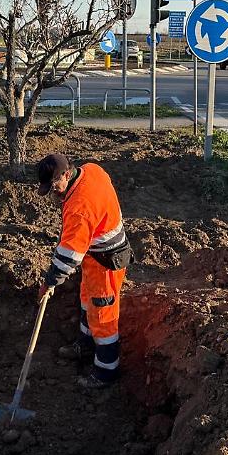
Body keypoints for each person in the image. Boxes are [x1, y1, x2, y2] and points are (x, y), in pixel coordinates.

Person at [36, 153, 131, 389]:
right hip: (94, 254)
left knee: (103, 317)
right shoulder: (91, 169)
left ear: (67, 174)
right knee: (87, 301)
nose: (53, 193)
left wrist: (49, 282)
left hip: (107, 262)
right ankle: (85, 346)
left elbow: (69, 256)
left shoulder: (79, 209)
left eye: (55, 186)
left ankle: (105, 373)